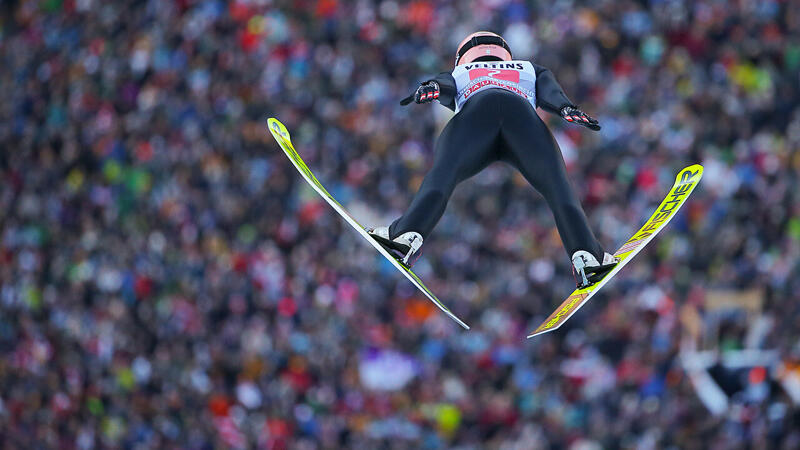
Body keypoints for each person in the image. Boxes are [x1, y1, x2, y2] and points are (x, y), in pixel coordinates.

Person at [368, 31, 617, 288]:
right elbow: (550, 93)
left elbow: (443, 86)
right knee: (559, 188)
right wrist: (567, 109)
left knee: (443, 176)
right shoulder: (529, 68)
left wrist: (429, 89)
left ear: (462, 56)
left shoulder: (460, 72)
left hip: (477, 117)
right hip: (522, 120)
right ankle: (588, 258)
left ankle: (407, 235)